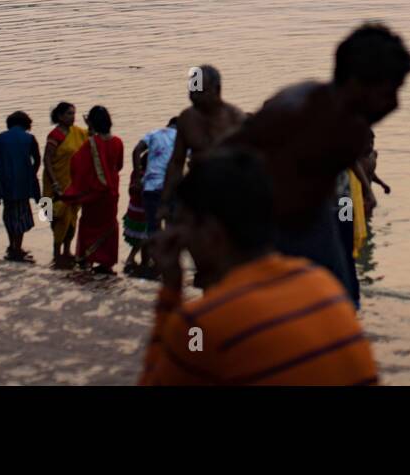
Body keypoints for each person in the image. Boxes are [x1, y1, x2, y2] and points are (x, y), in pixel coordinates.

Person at [140, 148, 378, 386]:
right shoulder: (325, 287)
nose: (180, 238)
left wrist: (170, 293)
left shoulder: (198, 327)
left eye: (184, 225)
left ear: (211, 233)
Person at [223, 24, 410, 303]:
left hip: (322, 215)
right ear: (357, 82)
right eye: (389, 91)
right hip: (278, 227)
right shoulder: (296, 110)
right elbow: (230, 164)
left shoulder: (353, 126)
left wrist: (367, 192)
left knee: (344, 291)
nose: (395, 104)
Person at [160, 66, 245, 208]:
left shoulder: (235, 119)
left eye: (200, 92)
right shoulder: (187, 119)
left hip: (230, 196)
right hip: (197, 194)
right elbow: (176, 162)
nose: (194, 97)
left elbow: (251, 164)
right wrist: (164, 202)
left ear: (216, 90)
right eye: (191, 92)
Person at [62, 106, 124, 274]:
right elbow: (119, 165)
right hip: (111, 192)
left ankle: (86, 258)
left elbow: (76, 163)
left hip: (94, 193)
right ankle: (107, 262)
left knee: (89, 224)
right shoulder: (118, 141)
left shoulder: (91, 143)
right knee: (109, 225)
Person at [0, 111, 41, 263]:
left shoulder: (0, 138)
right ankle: (18, 246)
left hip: (5, 181)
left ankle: (11, 243)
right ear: (26, 124)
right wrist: (32, 173)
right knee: (22, 212)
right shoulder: (29, 138)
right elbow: (37, 159)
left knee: (9, 212)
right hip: (23, 181)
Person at [43, 101, 87, 267]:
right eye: (69, 114)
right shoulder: (55, 135)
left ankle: (67, 250)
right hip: (53, 185)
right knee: (53, 216)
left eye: (74, 114)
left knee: (72, 217)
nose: (73, 117)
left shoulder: (77, 132)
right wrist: (54, 182)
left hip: (72, 184)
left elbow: (93, 137)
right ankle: (56, 252)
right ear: (60, 116)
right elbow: (46, 159)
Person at [132, 116, 177, 243]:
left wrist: (137, 179)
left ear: (168, 125)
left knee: (153, 228)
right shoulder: (182, 137)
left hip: (150, 188)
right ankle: (170, 259)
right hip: (171, 188)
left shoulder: (154, 134)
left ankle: (157, 260)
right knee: (172, 227)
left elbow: (136, 151)